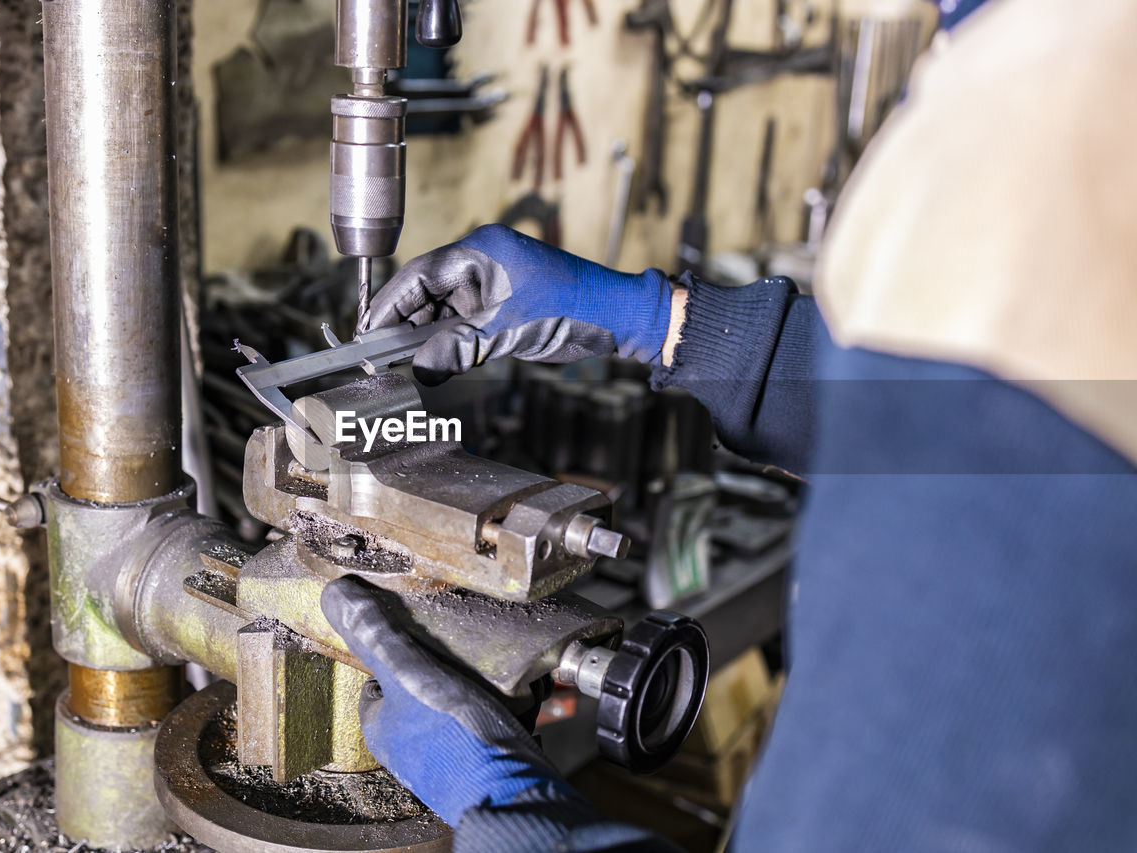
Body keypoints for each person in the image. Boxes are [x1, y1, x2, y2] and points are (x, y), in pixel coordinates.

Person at [320, 0, 1137, 849]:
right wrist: (660, 320)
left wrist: (519, 816)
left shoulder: (1062, 136)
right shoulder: (1047, 64)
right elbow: (937, 433)